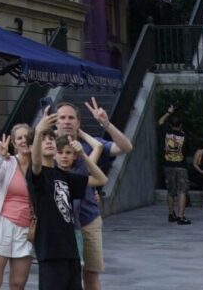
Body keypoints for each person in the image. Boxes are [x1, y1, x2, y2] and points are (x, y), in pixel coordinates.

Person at [52, 99, 132, 290]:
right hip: (59, 223)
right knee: (62, 276)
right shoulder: (48, 146)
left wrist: (105, 123)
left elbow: (125, 147)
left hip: (87, 219)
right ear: (56, 121)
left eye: (71, 117)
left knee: (90, 273)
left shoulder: (90, 144)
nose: (67, 121)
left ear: (78, 122)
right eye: (62, 117)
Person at [29, 108, 108, 290]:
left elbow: (101, 179)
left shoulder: (65, 176)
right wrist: (39, 131)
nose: (48, 142)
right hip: (50, 249)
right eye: (43, 140)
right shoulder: (38, 175)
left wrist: (83, 156)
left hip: (71, 247)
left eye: (51, 139)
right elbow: (34, 164)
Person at [0, 122, 35, 290]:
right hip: (1, 226)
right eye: (19, 138)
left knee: (18, 284)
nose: (24, 141)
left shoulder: (40, 165)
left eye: (27, 137)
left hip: (26, 230)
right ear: (14, 143)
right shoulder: (8, 162)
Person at [158, 104, 190, 224]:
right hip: (181, 166)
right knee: (182, 191)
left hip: (168, 165)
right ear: (181, 126)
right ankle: (181, 216)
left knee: (170, 191)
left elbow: (160, 121)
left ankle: (171, 213)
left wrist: (169, 112)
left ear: (171, 125)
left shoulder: (166, 132)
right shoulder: (184, 135)